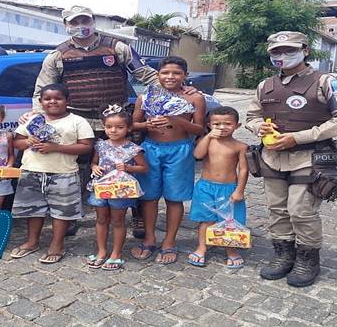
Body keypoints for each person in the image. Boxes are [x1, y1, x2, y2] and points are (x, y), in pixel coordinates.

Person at [18, 5, 162, 238]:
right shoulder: (57, 55)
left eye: (84, 21)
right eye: (74, 23)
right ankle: (71, 216)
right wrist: (38, 114)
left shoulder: (118, 47)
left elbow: (146, 74)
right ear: (66, 26)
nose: (80, 26)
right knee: (77, 170)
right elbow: (42, 91)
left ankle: (137, 217)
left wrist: (165, 97)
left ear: (93, 21)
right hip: (78, 121)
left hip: (117, 120)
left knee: (129, 167)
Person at [245, 31, 337, 287]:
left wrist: (298, 138)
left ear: (305, 50)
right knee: (277, 209)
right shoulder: (265, 85)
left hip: (311, 157)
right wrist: (257, 128)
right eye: (276, 51)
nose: (282, 56)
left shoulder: (329, 81)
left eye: (289, 50)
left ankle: (308, 259)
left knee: (301, 210)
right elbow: (251, 116)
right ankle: (283, 255)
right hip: (272, 156)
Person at [131, 56, 206, 264]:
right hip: (150, 149)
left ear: (185, 75)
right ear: (158, 75)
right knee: (149, 197)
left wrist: (176, 120)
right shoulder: (146, 96)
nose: (170, 77)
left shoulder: (194, 98)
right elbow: (133, 124)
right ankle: (149, 238)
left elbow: (200, 129)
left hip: (180, 150)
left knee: (175, 198)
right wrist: (147, 126)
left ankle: (169, 241)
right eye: (165, 72)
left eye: (176, 73)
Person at [10, 84, 94, 264]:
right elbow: (17, 142)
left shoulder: (77, 121)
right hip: (32, 171)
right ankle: (32, 241)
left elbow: (86, 146)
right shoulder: (32, 120)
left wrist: (56, 147)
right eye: (47, 99)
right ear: (40, 102)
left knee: (61, 212)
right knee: (33, 210)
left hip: (63, 173)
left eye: (58, 98)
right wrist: (28, 141)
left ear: (67, 101)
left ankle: (57, 244)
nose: (52, 102)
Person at [86, 104, 148, 271]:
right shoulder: (101, 145)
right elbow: (94, 161)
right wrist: (94, 167)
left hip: (120, 189)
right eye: (109, 127)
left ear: (128, 128)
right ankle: (101, 251)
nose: (113, 130)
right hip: (101, 186)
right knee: (100, 218)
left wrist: (128, 168)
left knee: (118, 220)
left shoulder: (133, 149)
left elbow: (144, 168)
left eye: (119, 127)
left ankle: (116, 253)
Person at [187, 106, 248, 268]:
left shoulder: (240, 146)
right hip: (205, 187)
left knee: (230, 221)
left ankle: (231, 251)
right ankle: (201, 247)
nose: (222, 127)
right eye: (216, 124)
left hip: (229, 188)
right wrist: (207, 137)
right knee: (206, 219)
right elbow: (197, 155)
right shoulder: (206, 141)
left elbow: (243, 169)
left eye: (227, 124)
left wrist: (239, 190)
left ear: (237, 125)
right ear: (209, 125)